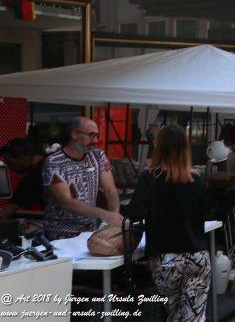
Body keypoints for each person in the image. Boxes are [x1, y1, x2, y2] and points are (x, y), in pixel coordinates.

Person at [126, 125, 210, 322]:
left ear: (159, 147)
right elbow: (203, 213)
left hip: (166, 257)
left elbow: (135, 212)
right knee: (194, 317)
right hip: (197, 255)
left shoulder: (149, 177)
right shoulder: (196, 178)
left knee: (172, 314)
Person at [42, 117, 122, 240]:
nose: (95, 140)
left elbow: (110, 190)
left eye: (97, 136)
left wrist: (114, 217)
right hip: (60, 234)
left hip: (89, 231)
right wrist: (104, 214)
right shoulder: (54, 162)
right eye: (91, 135)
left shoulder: (98, 156)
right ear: (74, 134)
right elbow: (66, 202)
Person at [0, 138, 46, 220]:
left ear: (24, 159)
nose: (10, 169)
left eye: (10, 163)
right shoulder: (51, 160)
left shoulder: (32, 177)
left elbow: (4, 214)